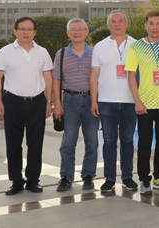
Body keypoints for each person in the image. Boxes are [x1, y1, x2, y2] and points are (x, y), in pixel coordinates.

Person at [0, 17, 54, 195]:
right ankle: (16, 181)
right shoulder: (5, 52)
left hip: (37, 102)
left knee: (35, 144)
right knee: (13, 144)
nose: (26, 32)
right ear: (15, 31)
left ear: (35, 32)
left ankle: (33, 180)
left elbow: (48, 78)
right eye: (22, 29)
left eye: (29, 29)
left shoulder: (42, 52)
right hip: (13, 102)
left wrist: (49, 101)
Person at [126, 10, 159, 195]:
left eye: (158, 23)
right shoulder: (136, 47)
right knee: (144, 143)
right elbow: (131, 75)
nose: (155, 27)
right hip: (144, 104)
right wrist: (137, 101)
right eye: (151, 23)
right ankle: (144, 180)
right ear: (145, 25)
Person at [91, 10, 138, 194]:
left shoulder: (136, 45)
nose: (117, 24)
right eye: (113, 21)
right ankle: (109, 178)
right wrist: (94, 100)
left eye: (120, 21)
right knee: (109, 141)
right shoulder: (100, 46)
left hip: (130, 101)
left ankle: (127, 177)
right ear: (108, 24)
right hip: (106, 101)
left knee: (127, 140)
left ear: (126, 24)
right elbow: (94, 75)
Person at [53, 18, 99, 192]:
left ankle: (88, 176)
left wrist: (97, 101)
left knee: (92, 141)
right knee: (68, 141)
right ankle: (66, 176)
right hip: (70, 101)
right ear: (68, 33)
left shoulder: (95, 53)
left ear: (87, 32)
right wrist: (57, 103)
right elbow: (56, 80)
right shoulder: (61, 54)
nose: (77, 32)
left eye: (80, 29)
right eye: (73, 29)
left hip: (91, 100)